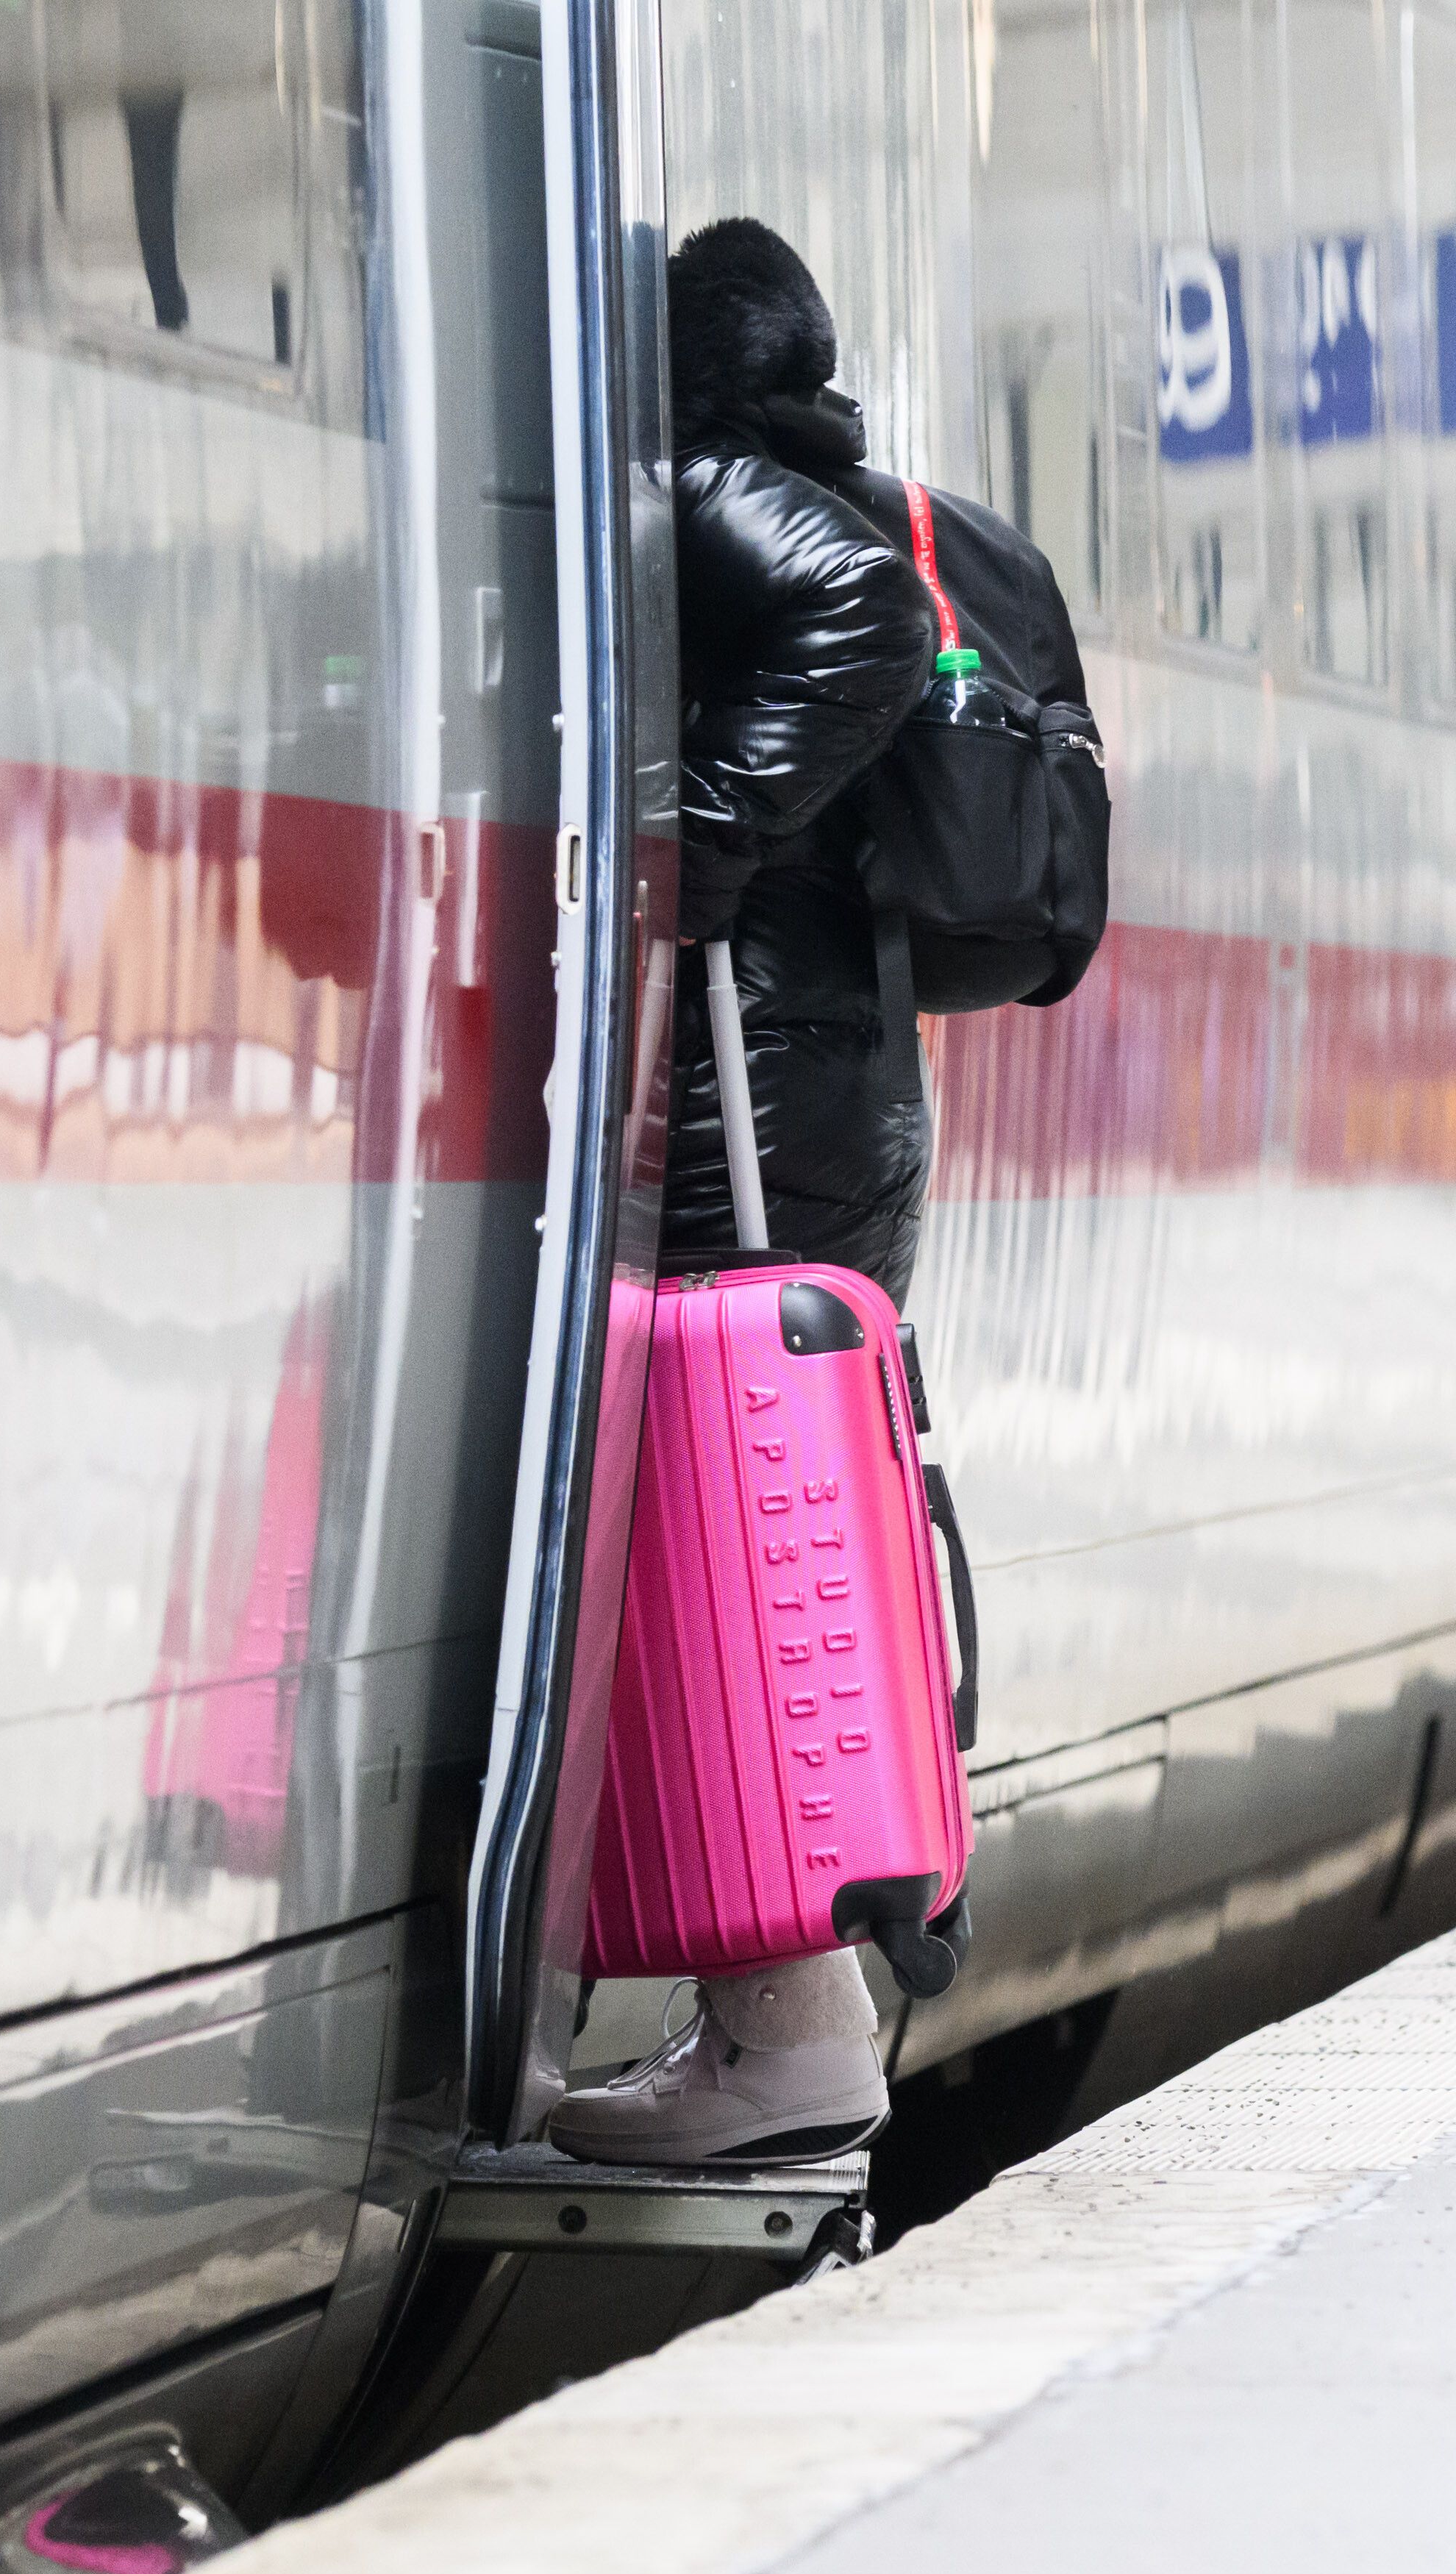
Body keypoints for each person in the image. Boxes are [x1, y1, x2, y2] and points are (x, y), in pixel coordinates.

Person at [546, 218, 938, 2167]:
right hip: (810, 1083)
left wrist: (693, 827)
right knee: (755, 1525)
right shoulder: (793, 471)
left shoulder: (705, 487)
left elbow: (865, 618)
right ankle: (786, 2034)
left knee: (721, 1526)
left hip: (749, 1096)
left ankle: (784, 2045)